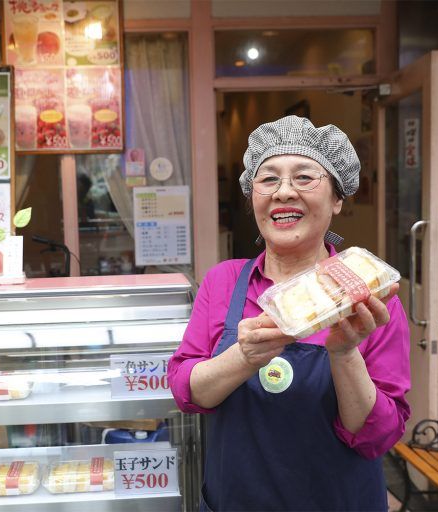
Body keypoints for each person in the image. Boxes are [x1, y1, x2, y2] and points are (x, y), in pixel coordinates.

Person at [169, 116, 410, 511]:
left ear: (337, 198)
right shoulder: (224, 282)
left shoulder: (368, 296)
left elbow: (377, 436)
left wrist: (345, 354)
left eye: (304, 177)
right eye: (268, 179)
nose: (284, 192)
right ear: (253, 197)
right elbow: (187, 392)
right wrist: (243, 357)